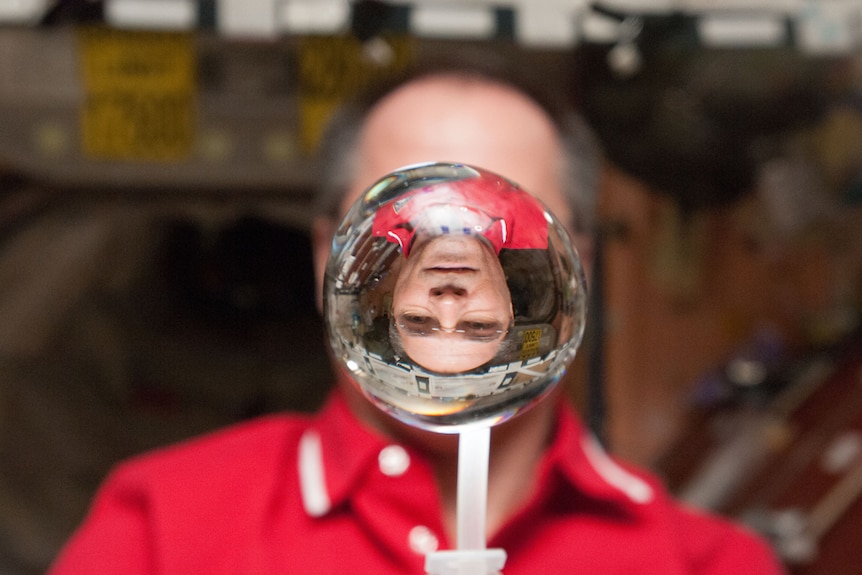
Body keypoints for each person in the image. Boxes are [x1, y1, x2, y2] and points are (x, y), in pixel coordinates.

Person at [48, 62, 786, 574]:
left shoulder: (708, 564)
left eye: (504, 228)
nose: (451, 271)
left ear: (575, 268)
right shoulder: (161, 529)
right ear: (326, 260)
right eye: (399, 228)